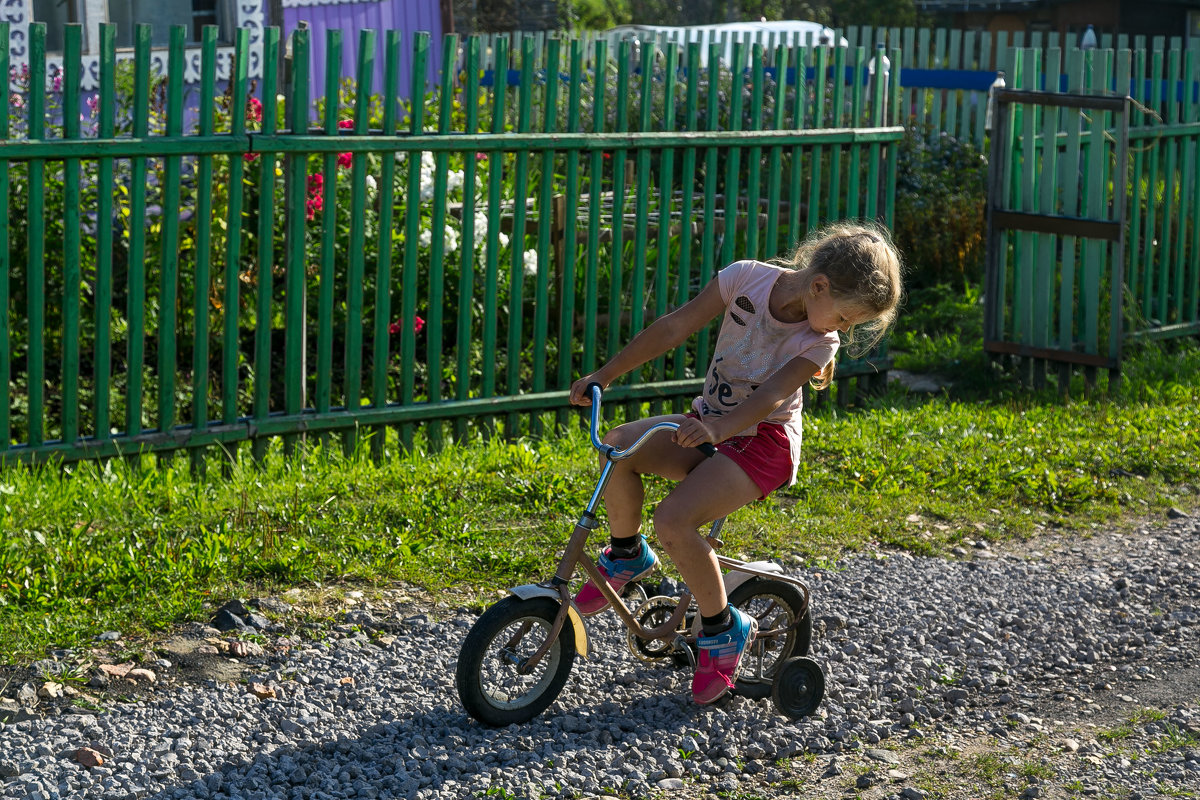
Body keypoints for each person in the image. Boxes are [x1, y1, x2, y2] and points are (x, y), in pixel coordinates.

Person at [568, 221, 903, 705]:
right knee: (619, 447)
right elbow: (674, 327)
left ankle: (723, 629)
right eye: (847, 318)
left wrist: (717, 431)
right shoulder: (746, 278)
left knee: (675, 520)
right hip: (712, 424)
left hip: (762, 443)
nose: (844, 330)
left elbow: (769, 396)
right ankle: (626, 554)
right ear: (819, 286)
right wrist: (604, 375)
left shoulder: (818, 342)